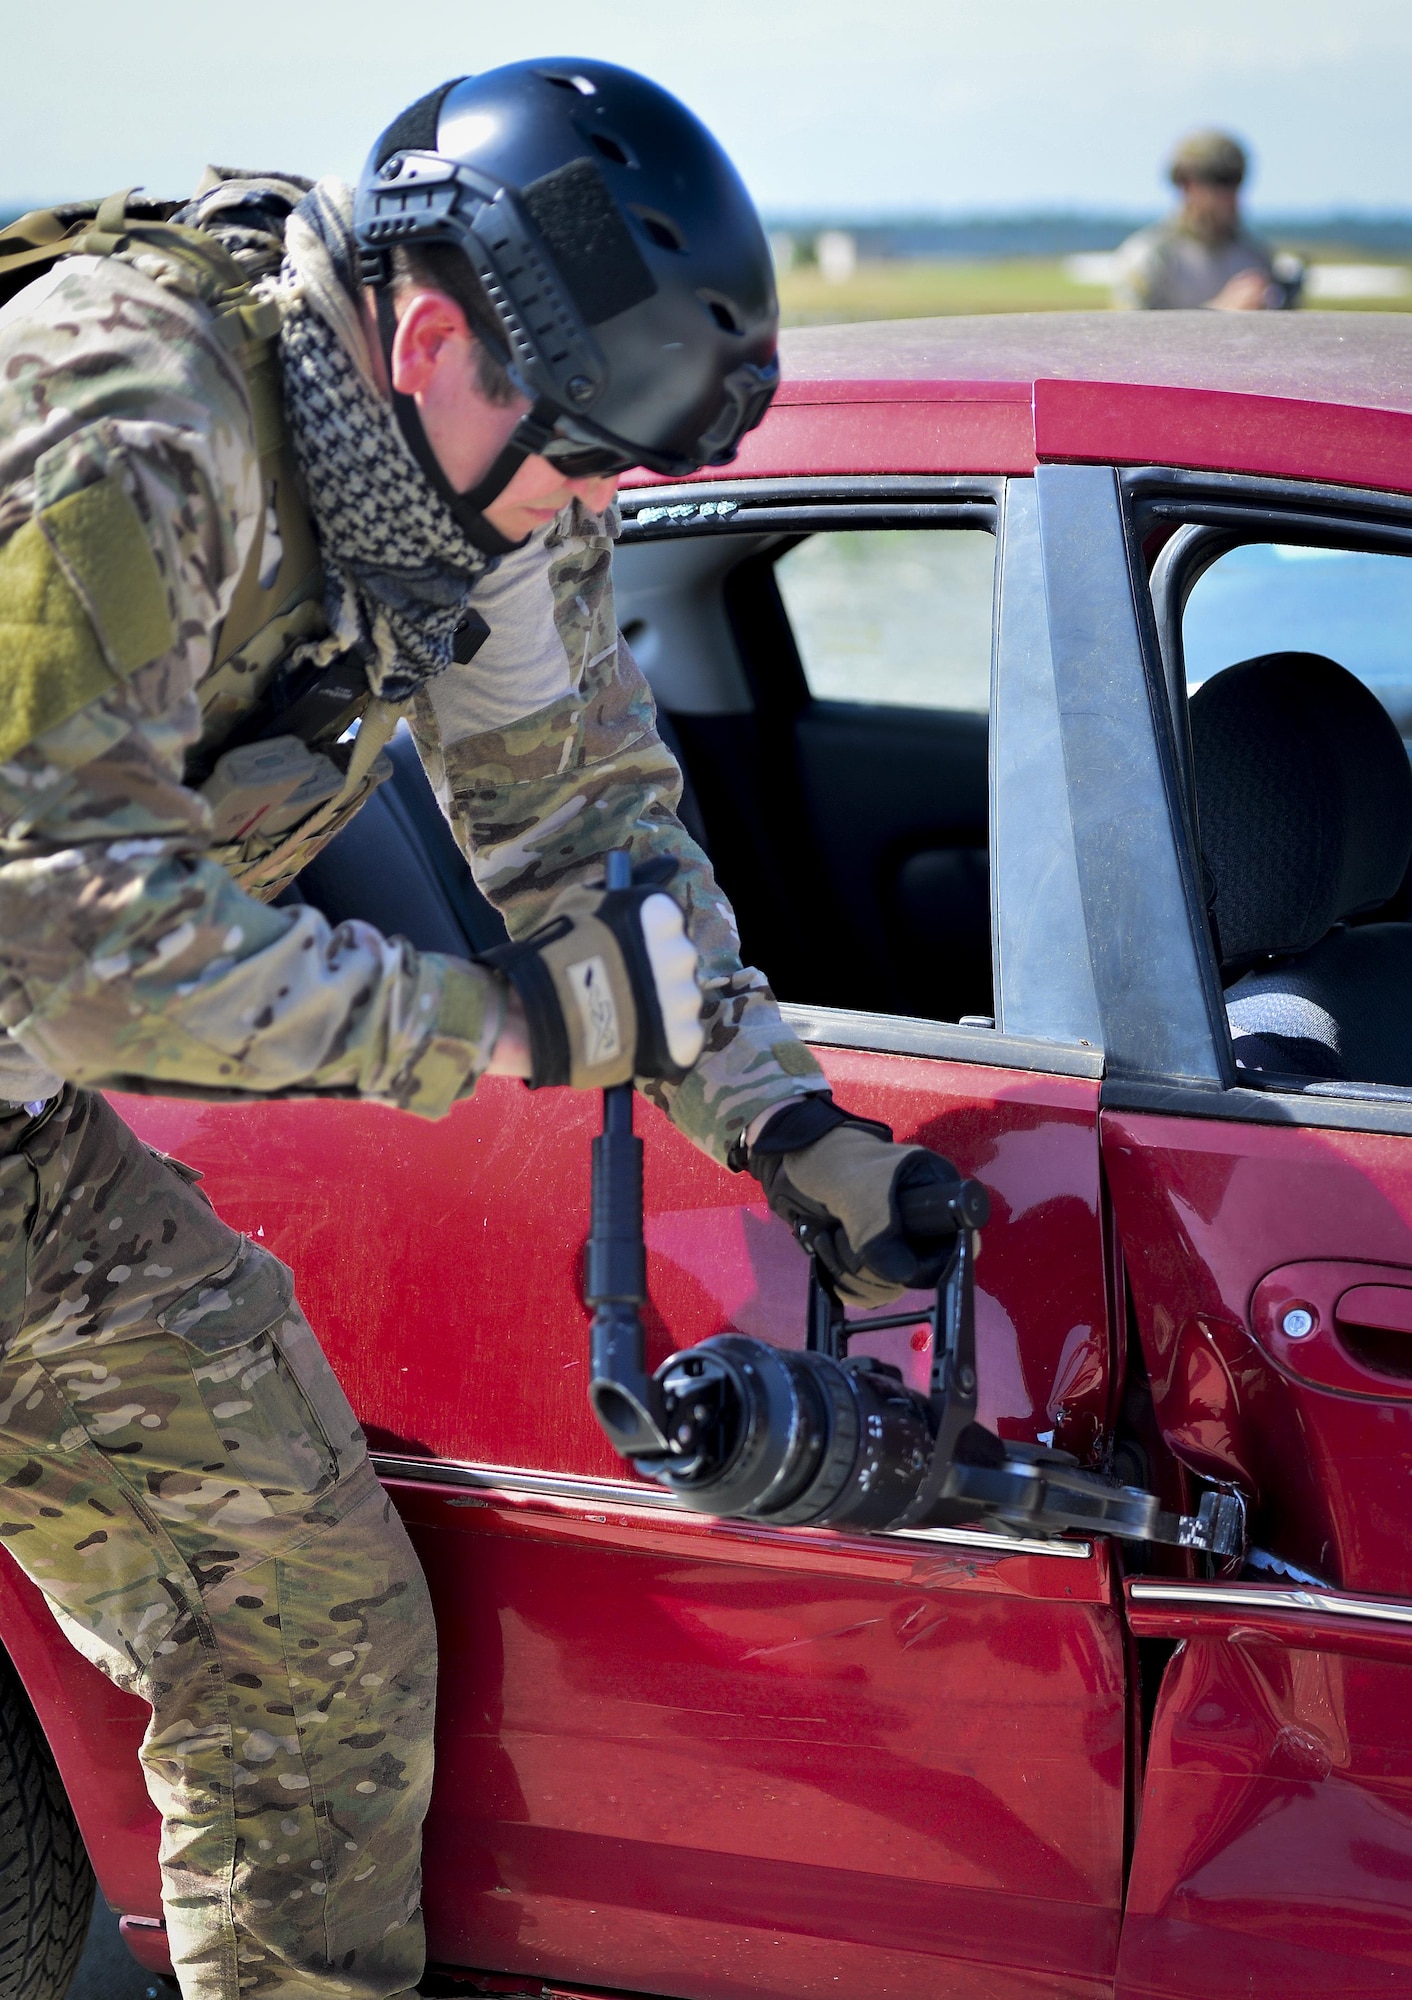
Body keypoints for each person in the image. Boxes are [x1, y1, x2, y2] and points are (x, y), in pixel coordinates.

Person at [0, 59, 962, 2000]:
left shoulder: (483, 467)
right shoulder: (123, 411)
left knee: (310, 1627)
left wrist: (788, 1128)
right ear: (431, 334)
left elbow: (596, 834)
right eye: (590, 459)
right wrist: (500, 1025)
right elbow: (69, 930)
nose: (595, 511)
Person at [1113, 128, 1300, 311]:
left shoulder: (1254, 256)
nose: (1230, 194)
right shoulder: (1152, 258)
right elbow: (1134, 337)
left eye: (1236, 180)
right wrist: (1218, 314)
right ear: (1187, 184)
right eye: (1219, 180)